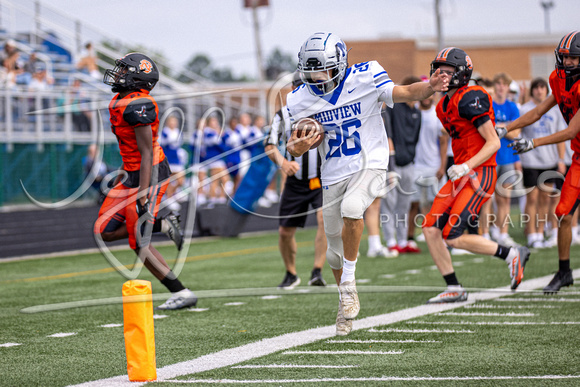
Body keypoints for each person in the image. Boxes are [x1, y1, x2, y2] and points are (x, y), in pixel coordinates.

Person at [286, 32, 449, 335]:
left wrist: (429, 87)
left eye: (324, 70)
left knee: (352, 208)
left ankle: (349, 279)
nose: (318, 78)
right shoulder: (300, 97)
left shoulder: (366, 75)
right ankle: (345, 298)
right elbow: (298, 141)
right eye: (312, 73)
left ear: (340, 63)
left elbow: (405, 92)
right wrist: (297, 147)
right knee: (333, 249)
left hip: (371, 161)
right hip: (334, 172)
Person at [422, 47, 530, 304]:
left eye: (447, 71)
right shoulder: (442, 105)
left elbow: (492, 142)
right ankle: (454, 287)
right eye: (438, 70)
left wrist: (466, 165)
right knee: (429, 228)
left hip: (480, 172)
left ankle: (511, 253)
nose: (441, 75)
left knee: (453, 235)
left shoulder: (471, 96)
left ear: (461, 74)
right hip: (460, 172)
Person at [94, 53, 195, 310]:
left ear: (137, 78)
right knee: (103, 231)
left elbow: (147, 151)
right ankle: (163, 223)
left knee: (138, 242)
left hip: (150, 173)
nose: (117, 74)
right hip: (131, 173)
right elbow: (128, 146)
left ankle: (181, 292)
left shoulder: (139, 103)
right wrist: (122, 171)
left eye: (123, 70)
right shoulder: (120, 99)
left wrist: (144, 193)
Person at [502, 31, 580, 293]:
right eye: (565, 57)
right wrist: (506, 128)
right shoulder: (557, 80)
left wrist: (534, 143)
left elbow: (571, 131)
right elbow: (537, 112)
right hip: (579, 158)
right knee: (563, 215)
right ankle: (564, 271)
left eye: (573, 58)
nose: (567, 62)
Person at [265, 73, 327, 290]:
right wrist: (284, 164)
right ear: (293, 89)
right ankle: (291, 273)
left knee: (324, 220)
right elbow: (270, 145)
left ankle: (317, 270)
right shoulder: (283, 115)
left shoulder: (324, 112)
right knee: (284, 231)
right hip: (295, 181)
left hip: (320, 179)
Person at [518, 77, 566, 248]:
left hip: (549, 160)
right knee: (532, 198)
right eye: (536, 88)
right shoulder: (524, 109)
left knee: (545, 200)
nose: (539, 90)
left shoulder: (554, 110)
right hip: (530, 161)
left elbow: (561, 137)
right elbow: (517, 132)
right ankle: (532, 235)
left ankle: (540, 232)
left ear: (547, 90)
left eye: (542, 87)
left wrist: (561, 159)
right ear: (532, 91)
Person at [381, 75, 423, 254]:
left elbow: (415, 139)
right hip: (392, 164)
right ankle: (390, 241)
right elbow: (387, 135)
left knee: (404, 205)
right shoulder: (392, 108)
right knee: (389, 203)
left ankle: (403, 240)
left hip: (409, 164)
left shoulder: (418, 113)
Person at [408, 91, 448, 244]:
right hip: (415, 165)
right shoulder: (413, 112)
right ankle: (418, 234)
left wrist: (442, 165)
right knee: (416, 203)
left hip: (434, 164)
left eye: (430, 95)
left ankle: (439, 234)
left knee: (438, 203)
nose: (427, 98)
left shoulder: (437, 114)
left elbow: (443, 141)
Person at [159, 115, 187, 212]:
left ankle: (171, 194)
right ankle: (169, 197)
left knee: (180, 180)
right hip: (168, 159)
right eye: (171, 121)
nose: (173, 123)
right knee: (168, 180)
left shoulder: (178, 132)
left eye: (175, 121)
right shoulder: (164, 132)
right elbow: (163, 144)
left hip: (177, 160)